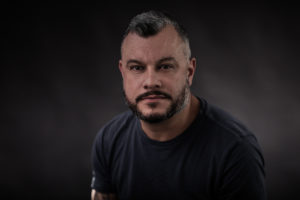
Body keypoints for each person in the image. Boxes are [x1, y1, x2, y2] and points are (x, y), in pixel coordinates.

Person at [90, 10, 266, 200]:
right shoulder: (109, 140)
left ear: (189, 72)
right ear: (123, 73)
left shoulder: (235, 151)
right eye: (137, 68)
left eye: (165, 66)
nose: (151, 81)